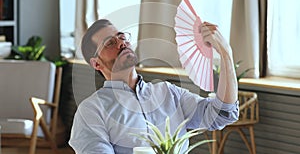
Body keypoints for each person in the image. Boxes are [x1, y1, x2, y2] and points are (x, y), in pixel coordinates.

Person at [69, 19, 239, 154]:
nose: (121, 43)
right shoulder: (91, 111)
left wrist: (226, 53)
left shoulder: (168, 92)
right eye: (110, 43)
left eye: (121, 37)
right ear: (96, 64)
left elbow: (221, 114)